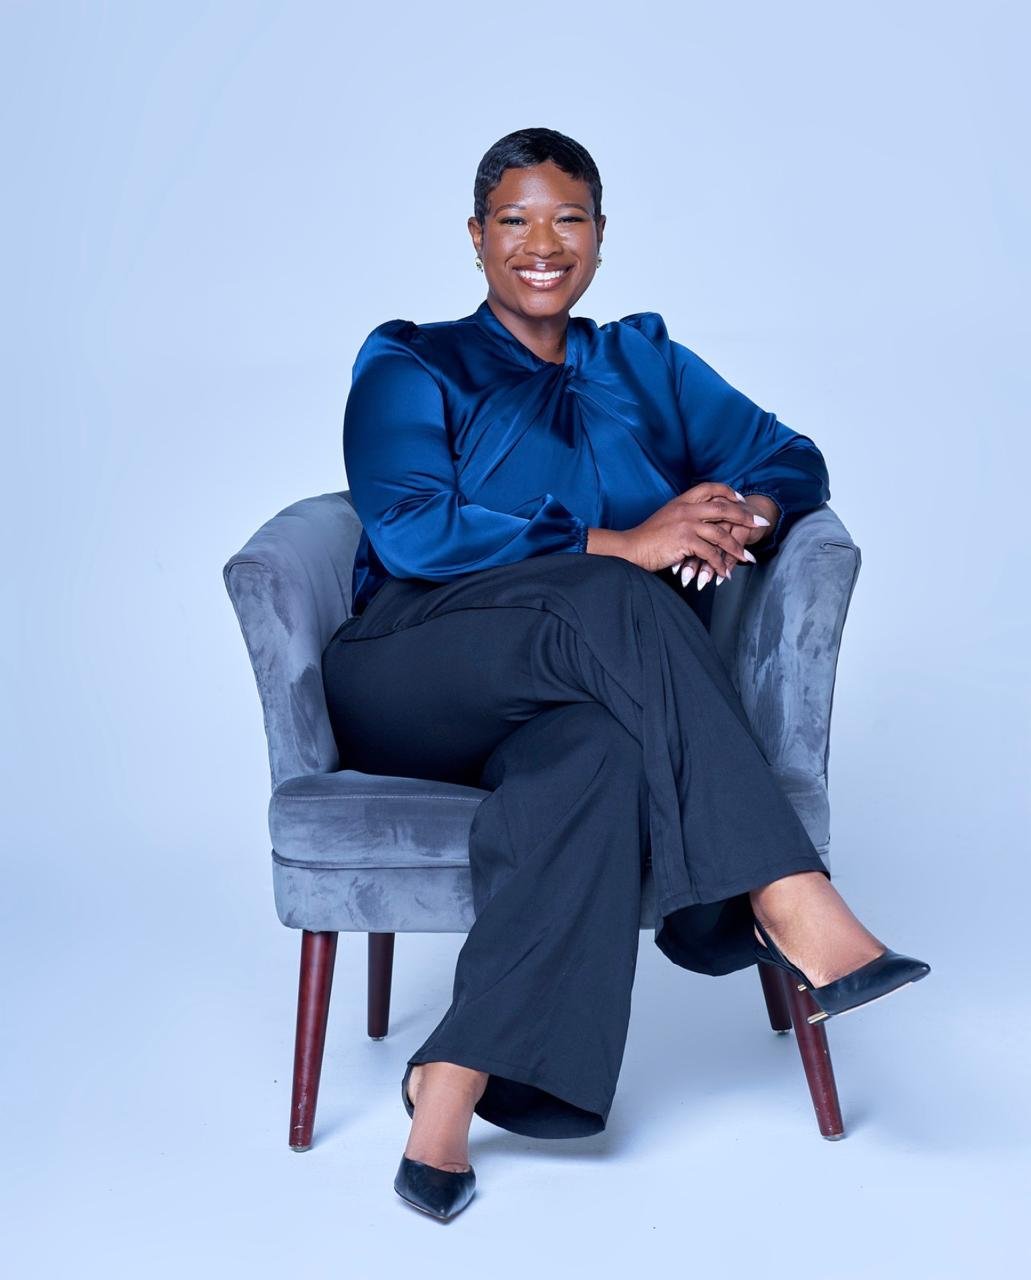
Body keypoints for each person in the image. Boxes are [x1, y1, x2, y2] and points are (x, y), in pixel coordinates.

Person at [321, 127, 931, 1222]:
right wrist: (622, 542)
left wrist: (741, 512)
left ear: (600, 236)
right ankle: (780, 893)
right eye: (514, 220)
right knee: (617, 589)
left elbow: (788, 455)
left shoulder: (642, 364)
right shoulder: (412, 361)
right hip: (417, 666)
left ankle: (450, 1079)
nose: (541, 244)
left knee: (596, 759)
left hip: (574, 691)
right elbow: (410, 528)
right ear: (475, 237)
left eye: (567, 219)